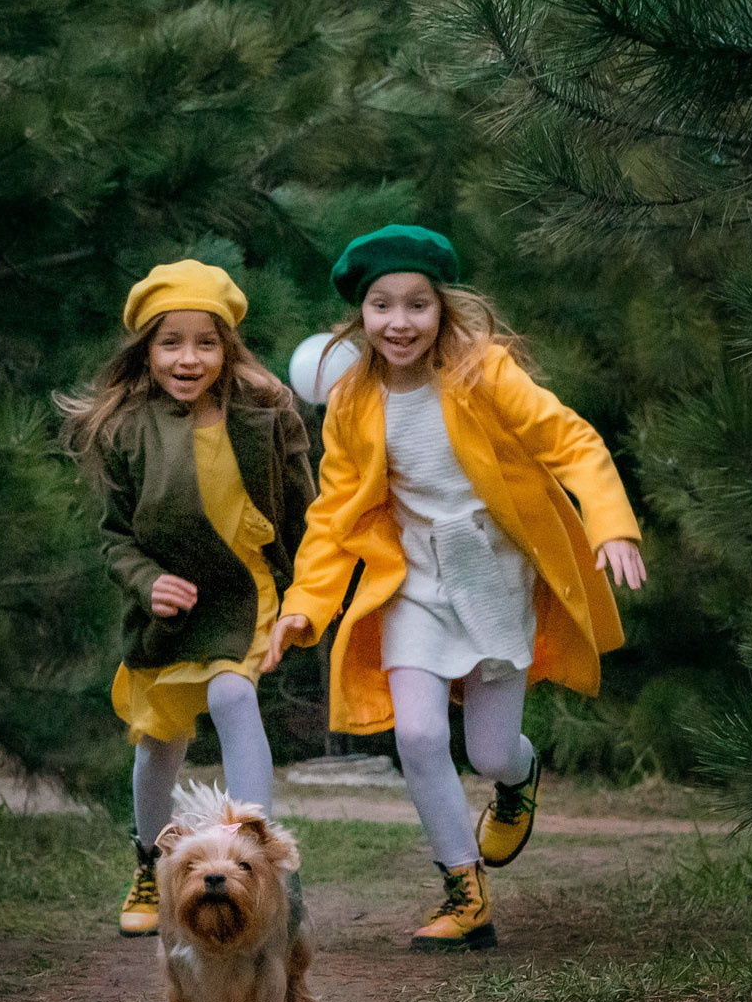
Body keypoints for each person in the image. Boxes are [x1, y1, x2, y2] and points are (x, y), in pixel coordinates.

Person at [264, 225, 645, 951]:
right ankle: (464, 891)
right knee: (417, 732)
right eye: (382, 305)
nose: (399, 322)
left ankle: (516, 779)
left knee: (491, 749)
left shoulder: (483, 371)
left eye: (416, 304)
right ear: (360, 317)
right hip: (412, 580)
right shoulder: (351, 401)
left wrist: (611, 524)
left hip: (493, 574)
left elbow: (572, 440)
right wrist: (303, 609)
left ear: (443, 309)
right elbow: (334, 514)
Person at [58, 261, 315, 936]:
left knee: (233, 695)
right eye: (171, 341)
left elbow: (302, 507)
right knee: (159, 744)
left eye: (206, 341)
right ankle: (150, 862)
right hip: (170, 605)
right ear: (145, 349)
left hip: (244, 589)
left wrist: (307, 595)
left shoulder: (264, 411)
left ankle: (254, 857)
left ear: (228, 347)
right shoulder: (127, 426)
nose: (188, 357)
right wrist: (148, 584)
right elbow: (115, 539)